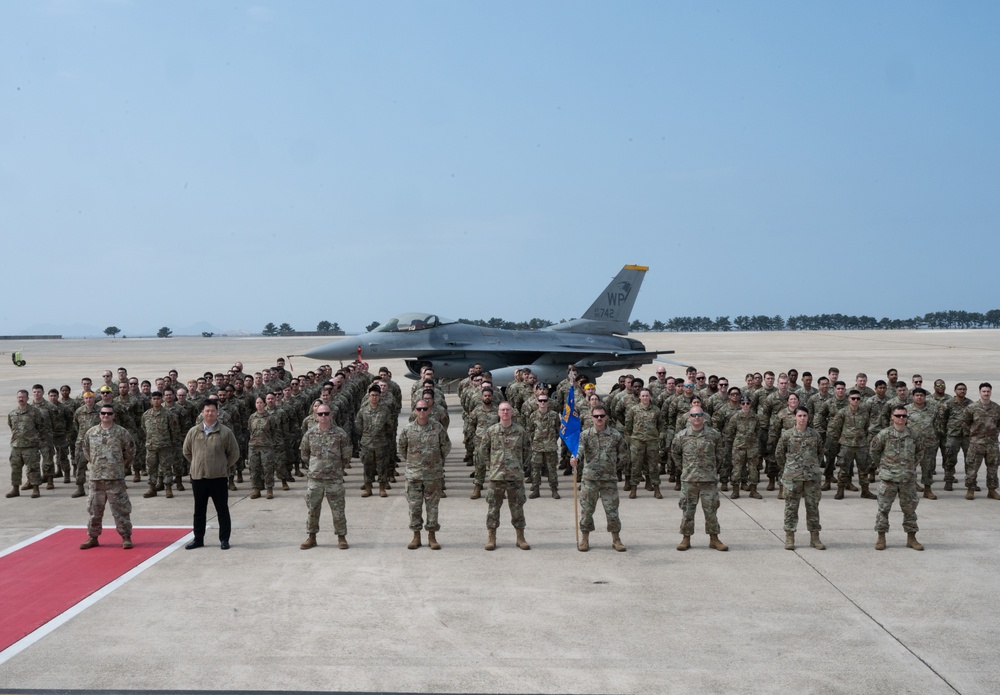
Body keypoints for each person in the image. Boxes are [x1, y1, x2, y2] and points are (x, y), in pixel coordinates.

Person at [182, 400, 240, 550]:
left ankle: (224, 539)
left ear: (217, 412)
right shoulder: (194, 431)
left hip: (218, 477)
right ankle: (198, 539)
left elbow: (234, 453)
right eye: (207, 411)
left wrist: (222, 465)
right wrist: (197, 463)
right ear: (202, 412)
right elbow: (187, 451)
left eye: (213, 411)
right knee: (199, 511)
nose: (210, 413)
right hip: (198, 477)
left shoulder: (225, 432)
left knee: (222, 509)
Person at [671, 404, 728, 551]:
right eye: (694, 415)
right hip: (689, 480)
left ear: (704, 417)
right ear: (689, 418)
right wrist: (685, 468)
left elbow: (720, 453)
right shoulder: (681, 435)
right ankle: (686, 538)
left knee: (711, 511)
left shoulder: (713, 434)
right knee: (688, 511)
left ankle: (714, 538)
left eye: (699, 415)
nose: (697, 418)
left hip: (708, 480)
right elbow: (675, 454)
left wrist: (713, 469)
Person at [571, 405, 627, 552]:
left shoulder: (615, 435)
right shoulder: (586, 434)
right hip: (590, 480)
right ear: (592, 418)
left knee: (612, 511)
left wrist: (614, 468)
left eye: (602, 416)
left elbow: (623, 455)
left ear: (606, 417)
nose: (599, 418)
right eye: (596, 416)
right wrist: (576, 457)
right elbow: (580, 449)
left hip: (609, 480)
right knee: (587, 510)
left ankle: (616, 539)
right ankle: (584, 539)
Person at [79, 406, 136, 549]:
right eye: (103, 413)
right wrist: (95, 463)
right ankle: (93, 537)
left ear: (113, 415)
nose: (106, 415)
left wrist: (120, 465)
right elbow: (86, 450)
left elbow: (130, 450)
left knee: (121, 510)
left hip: (115, 478)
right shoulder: (91, 432)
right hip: (96, 478)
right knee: (94, 510)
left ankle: (126, 537)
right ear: (99, 415)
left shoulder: (121, 432)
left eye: (109, 413)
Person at [398, 399, 451, 550]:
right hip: (413, 475)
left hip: (432, 475)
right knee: (414, 507)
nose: (422, 411)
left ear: (429, 410)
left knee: (432, 507)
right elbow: (402, 448)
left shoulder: (437, 428)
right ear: (414, 410)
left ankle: (432, 536)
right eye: (419, 409)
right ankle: (416, 536)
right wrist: (413, 463)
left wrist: (435, 462)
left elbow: (445, 446)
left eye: (424, 409)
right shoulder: (408, 429)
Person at [298, 404, 352, 550]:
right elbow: (304, 454)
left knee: (338, 509)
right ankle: (311, 537)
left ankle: (341, 537)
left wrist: (336, 468)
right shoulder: (309, 434)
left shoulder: (340, 434)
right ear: (316, 416)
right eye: (320, 414)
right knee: (313, 508)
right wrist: (316, 466)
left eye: (326, 413)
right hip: (315, 478)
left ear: (331, 415)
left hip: (334, 479)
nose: (323, 416)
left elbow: (347, 455)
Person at [870, 405, 923, 550]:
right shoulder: (884, 434)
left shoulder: (914, 434)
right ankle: (881, 537)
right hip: (888, 479)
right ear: (892, 417)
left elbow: (920, 452)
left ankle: (911, 538)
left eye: (904, 416)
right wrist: (883, 466)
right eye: (898, 415)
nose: (901, 418)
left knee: (910, 509)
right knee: (883, 509)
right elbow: (874, 451)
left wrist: (910, 466)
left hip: (907, 479)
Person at [481, 402, 531, 551]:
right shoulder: (491, 431)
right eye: (502, 410)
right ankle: (491, 537)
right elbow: (483, 451)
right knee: (493, 508)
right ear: (498, 413)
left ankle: (520, 537)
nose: (505, 412)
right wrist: (491, 466)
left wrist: (519, 466)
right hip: (496, 477)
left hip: (515, 477)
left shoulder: (520, 431)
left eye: (507, 410)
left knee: (517, 508)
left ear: (512, 412)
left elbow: (528, 451)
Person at [775, 406, 826, 550]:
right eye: (800, 416)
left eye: (805, 415)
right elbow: (779, 454)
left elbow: (820, 453)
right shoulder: (787, 435)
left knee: (813, 507)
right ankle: (789, 537)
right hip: (793, 477)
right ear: (794, 417)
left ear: (808, 417)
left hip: (811, 478)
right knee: (791, 508)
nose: (802, 418)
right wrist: (789, 468)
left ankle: (815, 538)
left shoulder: (815, 435)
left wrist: (812, 466)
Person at [355, 384, 394, 498]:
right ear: (368, 396)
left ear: (380, 396)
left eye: (377, 395)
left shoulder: (385, 409)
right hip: (367, 443)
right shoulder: (363, 410)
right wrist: (365, 435)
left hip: (381, 443)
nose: (374, 397)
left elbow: (389, 426)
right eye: (372, 395)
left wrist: (382, 435)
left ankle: (382, 488)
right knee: (367, 466)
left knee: (382, 466)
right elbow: (358, 425)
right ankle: (368, 488)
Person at [963, 383, 1000, 500]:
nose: (986, 393)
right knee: (972, 468)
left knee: (993, 468)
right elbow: (965, 424)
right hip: (976, 443)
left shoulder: (996, 408)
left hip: (992, 444)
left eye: (988, 391)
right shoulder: (972, 408)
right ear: (980, 392)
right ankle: (970, 489)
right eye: (984, 391)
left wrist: (994, 434)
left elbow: (998, 424)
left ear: (991, 392)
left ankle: (992, 490)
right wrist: (972, 437)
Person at [8, 389, 47, 498]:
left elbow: (41, 428)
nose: (21, 399)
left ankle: (35, 489)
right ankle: (15, 489)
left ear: (27, 398)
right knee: (15, 469)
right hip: (16, 446)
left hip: (30, 446)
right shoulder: (12, 413)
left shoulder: (35, 412)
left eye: (23, 397)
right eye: (19, 397)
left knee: (33, 468)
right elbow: (12, 427)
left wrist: (39, 442)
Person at [525, 392, 561, 499]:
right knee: (535, 469)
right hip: (537, 447)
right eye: (540, 401)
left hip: (551, 447)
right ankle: (536, 489)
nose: (542, 402)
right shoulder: (533, 416)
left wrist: (552, 440)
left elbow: (558, 430)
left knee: (552, 469)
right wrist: (535, 441)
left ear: (548, 402)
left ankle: (554, 490)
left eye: (544, 400)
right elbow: (530, 431)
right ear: (537, 402)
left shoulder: (554, 415)